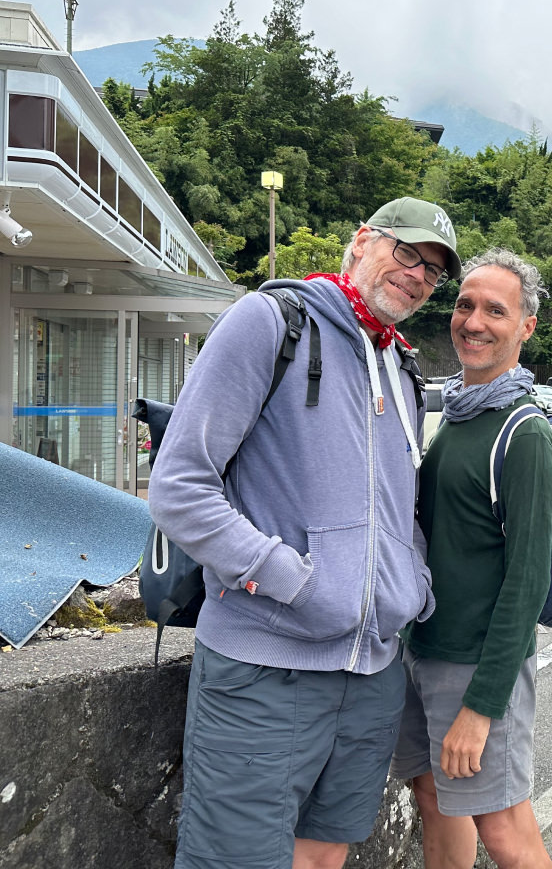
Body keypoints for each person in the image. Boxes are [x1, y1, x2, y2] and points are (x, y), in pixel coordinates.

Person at [148, 197, 461, 869]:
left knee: (323, 857)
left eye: (433, 271)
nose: (416, 274)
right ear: (361, 241)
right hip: (265, 666)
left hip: (371, 673)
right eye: (407, 252)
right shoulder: (271, 323)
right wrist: (290, 579)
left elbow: (396, 511)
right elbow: (179, 486)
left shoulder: (402, 368)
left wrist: (412, 588)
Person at [390, 248, 552, 869]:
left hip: (477, 666)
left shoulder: (525, 433)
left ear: (525, 327)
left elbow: (527, 582)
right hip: (422, 648)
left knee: (506, 830)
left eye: (495, 309)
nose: (474, 321)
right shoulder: (457, 414)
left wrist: (483, 706)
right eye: (464, 304)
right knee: (435, 797)